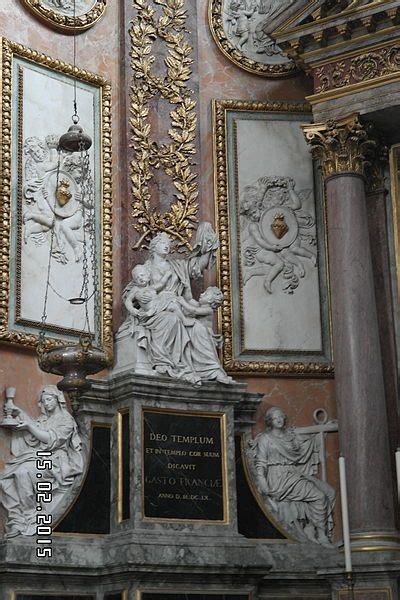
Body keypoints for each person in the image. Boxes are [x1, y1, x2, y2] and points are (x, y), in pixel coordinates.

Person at [0, 385, 83, 538]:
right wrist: (18, 412)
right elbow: (33, 434)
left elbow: (51, 439)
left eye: (49, 399)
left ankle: (31, 517)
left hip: (55, 459)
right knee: (5, 478)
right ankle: (18, 518)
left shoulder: (66, 420)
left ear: (58, 400)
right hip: (38, 456)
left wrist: (30, 426)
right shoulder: (45, 418)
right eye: (44, 401)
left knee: (23, 472)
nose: (47, 404)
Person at [254, 407, 335, 545]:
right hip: (277, 477)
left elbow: (305, 442)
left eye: (281, 417)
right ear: (270, 421)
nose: (279, 420)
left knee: (325, 494)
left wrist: (325, 427)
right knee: (319, 496)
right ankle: (320, 534)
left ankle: (314, 530)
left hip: (293, 474)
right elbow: (261, 463)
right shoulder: (265, 439)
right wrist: (263, 484)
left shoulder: (290, 436)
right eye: (275, 418)